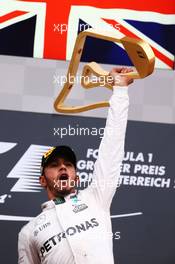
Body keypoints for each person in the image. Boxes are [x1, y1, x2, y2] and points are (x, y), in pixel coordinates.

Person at [18, 67, 134, 264]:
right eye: (54, 165)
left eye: (68, 164)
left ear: (76, 177)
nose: (63, 168)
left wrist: (120, 91)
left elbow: (111, 148)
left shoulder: (96, 198)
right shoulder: (29, 232)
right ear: (42, 180)